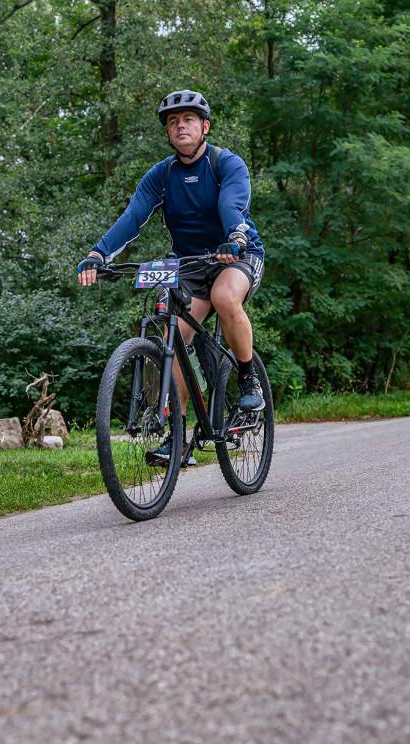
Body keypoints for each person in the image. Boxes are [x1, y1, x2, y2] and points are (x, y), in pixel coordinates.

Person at [76, 89, 265, 464]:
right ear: (167, 132)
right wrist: (98, 253)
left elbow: (232, 205)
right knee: (173, 337)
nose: (180, 126)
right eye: (173, 122)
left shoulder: (226, 164)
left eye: (188, 120)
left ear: (205, 127)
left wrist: (235, 236)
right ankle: (177, 438)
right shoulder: (161, 176)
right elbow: (133, 218)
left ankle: (248, 379)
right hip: (189, 264)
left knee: (227, 298)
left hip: (237, 253)